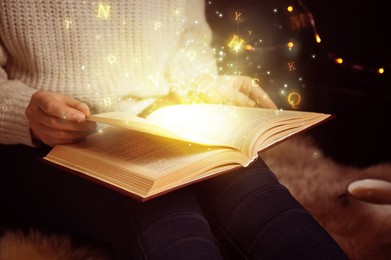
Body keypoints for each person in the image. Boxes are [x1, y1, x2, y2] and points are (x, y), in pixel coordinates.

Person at [0, 0, 348, 259]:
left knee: (251, 189)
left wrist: (204, 87)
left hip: (157, 121)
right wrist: (26, 112)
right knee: (164, 210)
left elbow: (187, 43)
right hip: (44, 141)